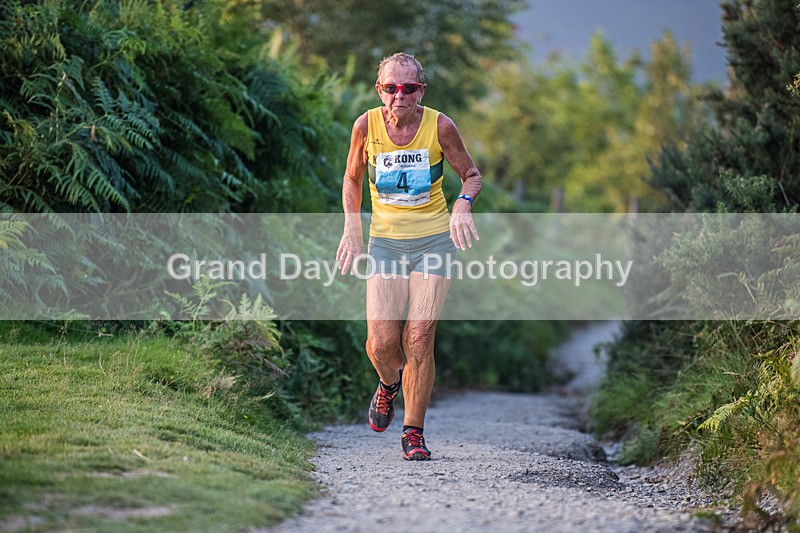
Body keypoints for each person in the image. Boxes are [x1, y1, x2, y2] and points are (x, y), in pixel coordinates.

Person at [336, 52, 481, 461]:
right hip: (386, 244)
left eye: (409, 88)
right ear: (379, 90)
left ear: (421, 91)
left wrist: (463, 203)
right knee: (381, 345)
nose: (399, 96)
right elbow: (352, 178)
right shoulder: (365, 126)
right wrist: (352, 227)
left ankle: (413, 432)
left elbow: (471, 175)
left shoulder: (440, 126)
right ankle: (389, 383)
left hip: (434, 242)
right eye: (391, 87)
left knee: (418, 337)